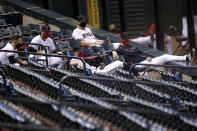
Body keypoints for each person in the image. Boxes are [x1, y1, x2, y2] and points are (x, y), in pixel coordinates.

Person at [116, 32, 189, 68]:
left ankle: (185, 58)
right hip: (138, 66)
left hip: (145, 62)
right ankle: (184, 58)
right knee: (165, 57)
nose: (126, 40)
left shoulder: (132, 45)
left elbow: (139, 54)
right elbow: (110, 52)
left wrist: (146, 57)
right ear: (122, 39)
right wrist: (113, 51)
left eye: (127, 38)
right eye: (125, 39)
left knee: (165, 56)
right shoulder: (120, 48)